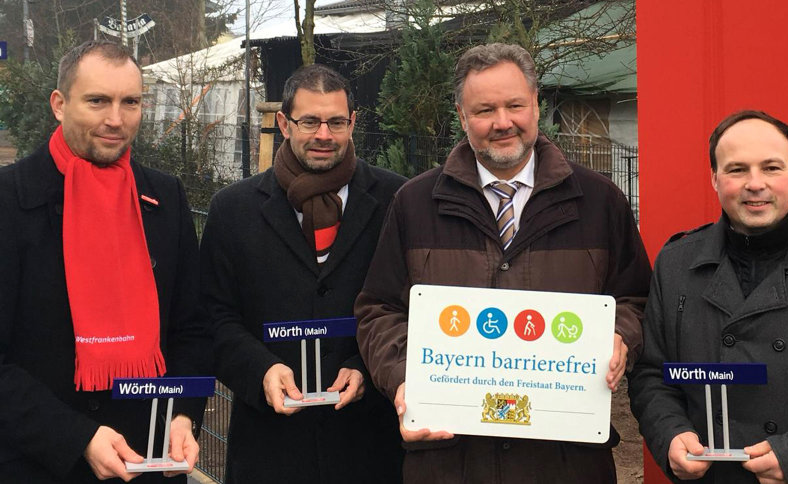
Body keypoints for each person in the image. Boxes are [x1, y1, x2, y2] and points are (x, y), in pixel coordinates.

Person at [354, 43, 652, 483]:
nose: (502, 122)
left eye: (515, 105)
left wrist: (621, 335)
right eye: (485, 110)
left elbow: (635, 297)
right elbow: (378, 309)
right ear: (461, 116)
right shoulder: (414, 204)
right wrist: (404, 380)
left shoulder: (599, 201)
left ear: (536, 104)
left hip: (566, 462)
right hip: (450, 460)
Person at [0, 40, 208, 483]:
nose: (116, 119)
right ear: (59, 104)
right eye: (98, 101)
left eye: (130, 102)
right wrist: (76, 437)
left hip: (149, 459)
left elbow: (191, 326)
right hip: (35, 462)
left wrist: (183, 414)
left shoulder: (164, 197)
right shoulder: (8, 202)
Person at [628, 110, 788, 483]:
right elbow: (652, 374)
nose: (755, 183)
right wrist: (669, 433)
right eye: (737, 170)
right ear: (715, 179)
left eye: (771, 167)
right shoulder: (677, 263)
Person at [200, 64, 406, 483]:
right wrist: (260, 370)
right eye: (309, 121)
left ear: (353, 122)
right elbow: (213, 317)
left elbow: (412, 306)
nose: (323, 135)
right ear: (283, 123)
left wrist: (368, 369)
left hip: (369, 446)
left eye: (335, 122)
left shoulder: (397, 201)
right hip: (269, 448)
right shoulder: (233, 210)